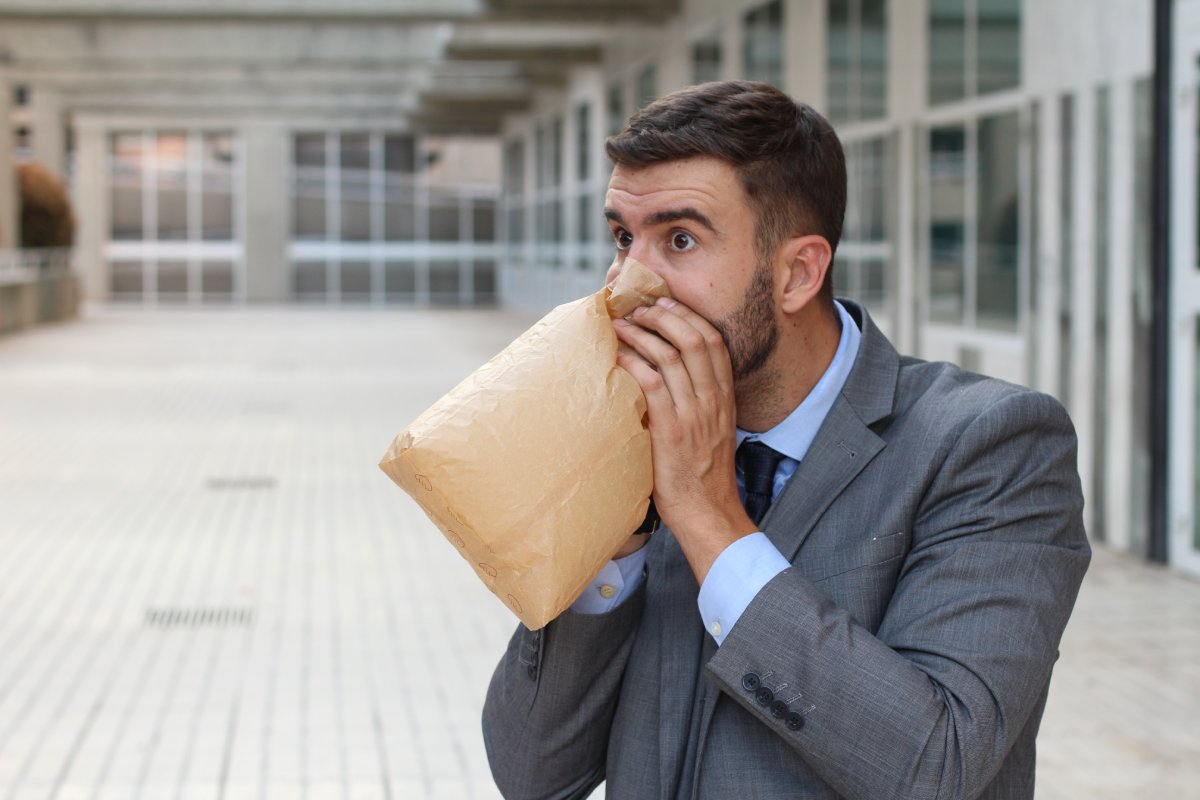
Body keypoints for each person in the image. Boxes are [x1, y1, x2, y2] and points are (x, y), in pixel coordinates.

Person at [481, 80, 1090, 800]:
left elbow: (936, 765)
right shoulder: (641, 450)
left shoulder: (991, 446)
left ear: (798, 273)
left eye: (679, 239)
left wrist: (708, 517)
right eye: (622, 238)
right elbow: (533, 775)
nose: (624, 284)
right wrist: (617, 546)